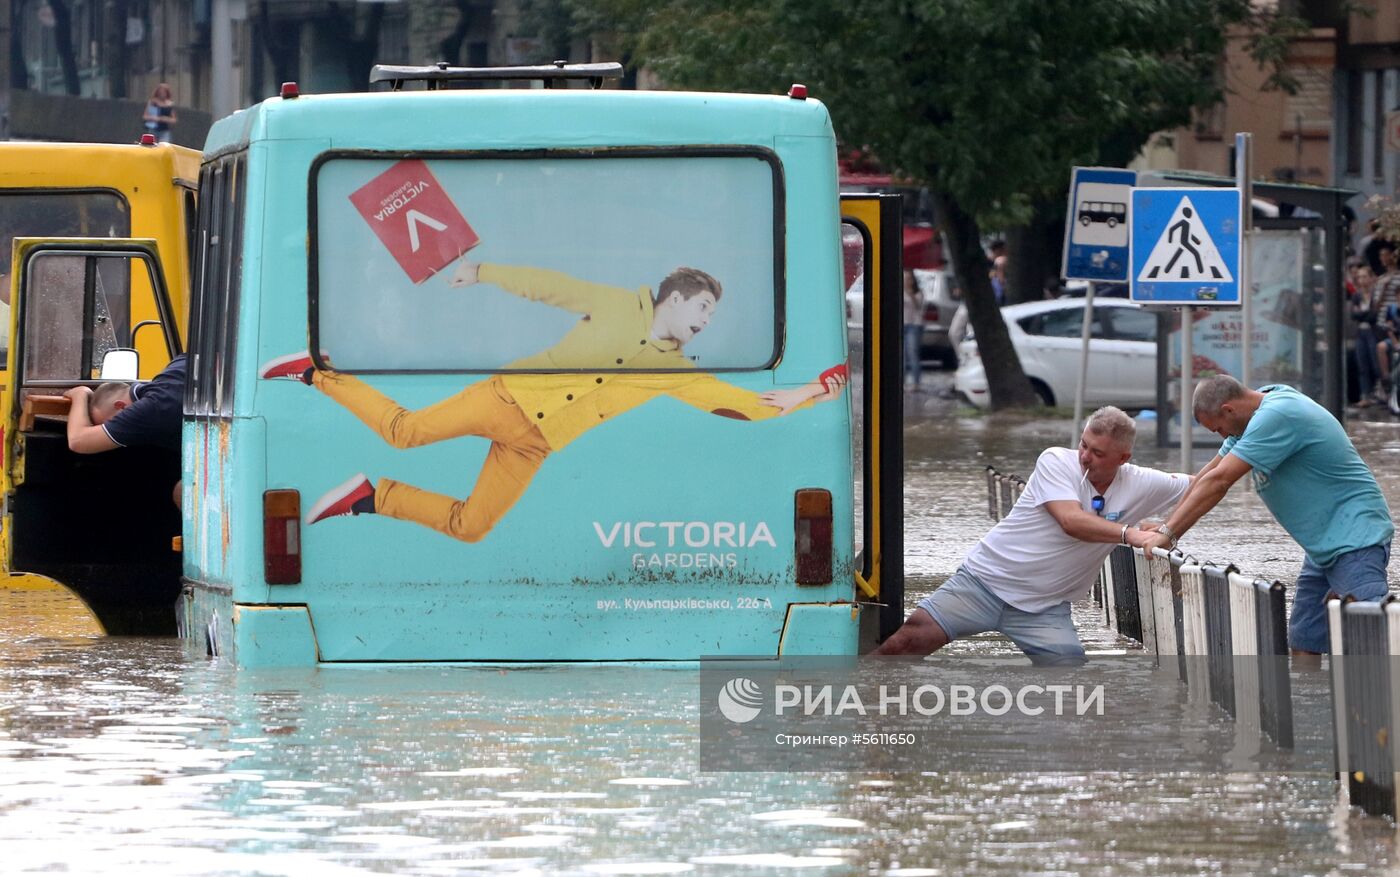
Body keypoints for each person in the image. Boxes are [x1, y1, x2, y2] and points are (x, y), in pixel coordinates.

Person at [260, 261, 848, 544]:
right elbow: (550, 287)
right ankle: (315, 373)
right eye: (703, 311)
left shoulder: (671, 372)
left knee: (472, 527)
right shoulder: (619, 304)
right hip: (509, 398)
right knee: (405, 432)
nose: (706, 324)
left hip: (537, 444)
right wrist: (482, 271)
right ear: (673, 297)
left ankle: (373, 496)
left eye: (712, 318)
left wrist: (813, 392)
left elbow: (743, 407)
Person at [875, 407, 1191, 663]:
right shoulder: (1055, 461)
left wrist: (1169, 527)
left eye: (1097, 452)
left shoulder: (1142, 482)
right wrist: (1131, 534)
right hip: (982, 583)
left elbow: (1208, 484)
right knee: (902, 646)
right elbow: (1071, 521)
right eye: (1083, 444)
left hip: (1045, 608)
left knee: (1069, 688)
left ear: (1123, 459)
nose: (1084, 456)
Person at [1142, 375, 1393, 655]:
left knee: (1376, 638)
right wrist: (1166, 525)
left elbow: (1220, 482)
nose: (1221, 435)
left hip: (1356, 539)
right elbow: (1207, 476)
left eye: (1218, 429)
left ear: (1228, 409)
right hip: (1322, 546)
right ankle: (1310, 698)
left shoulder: (1277, 415)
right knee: (1303, 644)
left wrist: (1170, 534)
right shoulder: (1252, 415)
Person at [63, 354, 187, 507]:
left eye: (111, 423)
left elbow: (78, 441)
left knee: (184, 493)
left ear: (120, 406)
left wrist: (80, 394)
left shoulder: (150, 408)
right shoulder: (177, 366)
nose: (116, 426)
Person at [1349, 263, 1382, 407]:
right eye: (1359, 277)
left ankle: (1379, 393)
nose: (1362, 280)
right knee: (1362, 364)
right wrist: (1364, 315)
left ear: (1371, 278)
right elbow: (1354, 314)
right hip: (1361, 332)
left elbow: (1374, 315)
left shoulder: (1376, 295)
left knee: (1376, 364)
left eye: (1364, 277)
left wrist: (1363, 315)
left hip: (1373, 332)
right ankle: (1365, 395)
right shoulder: (1357, 296)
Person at [901, 269, 925, 391]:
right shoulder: (901, 292)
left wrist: (910, 293)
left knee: (913, 353)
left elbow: (918, 306)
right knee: (901, 356)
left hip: (914, 326)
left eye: (909, 279)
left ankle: (916, 383)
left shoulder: (918, 293)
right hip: (903, 325)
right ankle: (902, 383)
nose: (907, 281)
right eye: (905, 279)